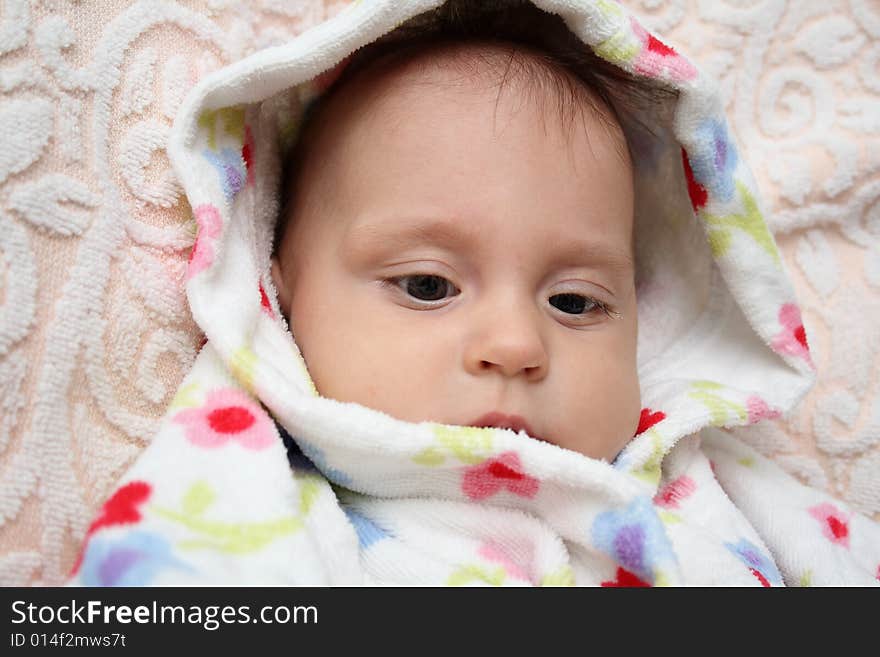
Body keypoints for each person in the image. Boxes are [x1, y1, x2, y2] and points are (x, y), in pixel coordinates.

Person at [69, 0, 880, 586]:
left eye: (576, 302)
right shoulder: (250, 489)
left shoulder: (714, 485)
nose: (518, 345)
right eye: (427, 284)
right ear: (278, 298)